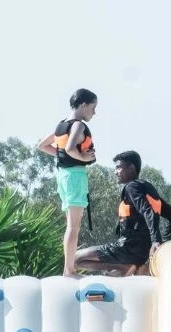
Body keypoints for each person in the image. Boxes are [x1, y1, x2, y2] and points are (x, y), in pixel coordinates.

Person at [75, 151, 171, 276]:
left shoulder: (132, 187)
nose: (116, 172)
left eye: (119, 167)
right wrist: (165, 242)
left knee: (76, 259)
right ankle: (127, 267)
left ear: (131, 169)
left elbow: (147, 211)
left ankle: (121, 265)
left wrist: (156, 240)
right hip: (142, 253)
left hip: (128, 247)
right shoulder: (147, 188)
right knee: (111, 274)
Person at [37, 88, 97, 276]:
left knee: (71, 225)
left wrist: (63, 154)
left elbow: (42, 145)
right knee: (73, 226)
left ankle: (67, 268)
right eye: (93, 108)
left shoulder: (61, 125)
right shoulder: (78, 125)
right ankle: (69, 270)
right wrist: (83, 158)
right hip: (74, 177)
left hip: (63, 176)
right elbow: (71, 148)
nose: (94, 113)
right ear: (83, 105)